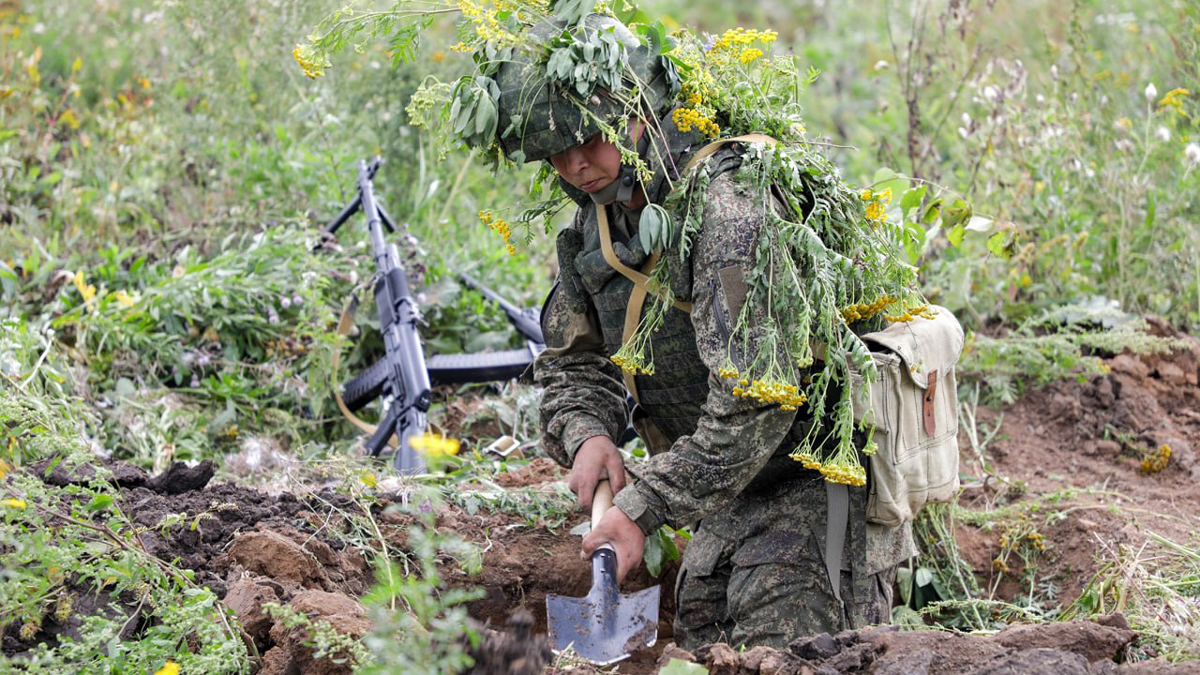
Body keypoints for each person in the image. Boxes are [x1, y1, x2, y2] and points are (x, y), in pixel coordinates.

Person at [491, 14, 917, 650]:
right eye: (556, 151)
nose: (576, 165)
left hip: (813, 477)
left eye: (591, 139)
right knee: (701, 648)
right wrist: (587, 438)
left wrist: (643, 505)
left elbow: (757, 401)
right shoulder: (598, 225)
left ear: (640, 114)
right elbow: (573, 363)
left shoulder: (731, 211)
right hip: (722, 488)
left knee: (785, 653)